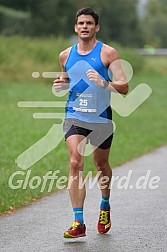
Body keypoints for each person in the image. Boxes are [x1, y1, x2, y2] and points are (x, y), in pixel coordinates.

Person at [53, 7, 128, 238]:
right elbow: (68, 79)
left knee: (101, 165)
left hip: (101, 118)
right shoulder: (65, 55)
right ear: (75, 28)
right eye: (81, 23)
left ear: (97, 27)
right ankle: (79, 222)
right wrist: (60, 84)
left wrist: (104, 83)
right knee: (75, 163)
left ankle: (105, 205)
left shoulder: (108, 54)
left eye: (89, 23)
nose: (85, 26)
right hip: (74, 115)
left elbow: (124, 87)